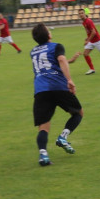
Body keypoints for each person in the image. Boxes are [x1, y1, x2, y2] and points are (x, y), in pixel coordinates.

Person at [29, 22, 83, 167]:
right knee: (78, 113)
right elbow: (60, 59)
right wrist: (70, 80)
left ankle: (43, 155)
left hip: (40, 90)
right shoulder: (57, 46)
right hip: (58, 86)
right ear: (48, 34)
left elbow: (50, 63)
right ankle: (63, 137)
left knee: (44, 126)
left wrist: (69, 60)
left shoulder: (33, 51)